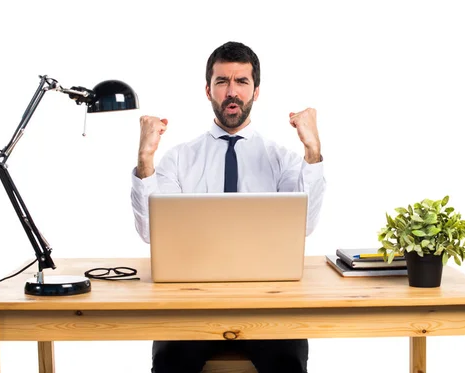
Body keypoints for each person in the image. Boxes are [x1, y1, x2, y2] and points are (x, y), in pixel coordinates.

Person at [130, 41, 326, 373]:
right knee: (169, 364)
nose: (231, 92)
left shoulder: (282, 158)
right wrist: (145, 161)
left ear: (256, 91)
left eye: (241, 82)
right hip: (190, 305)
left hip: (268, 304)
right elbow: (150, 233)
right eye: (222, 82)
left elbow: (304, 225)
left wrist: (313, 152)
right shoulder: (179, 158)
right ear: (208, 90)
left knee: (288, 363)